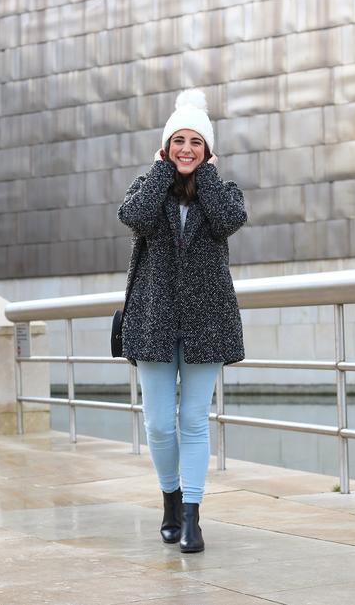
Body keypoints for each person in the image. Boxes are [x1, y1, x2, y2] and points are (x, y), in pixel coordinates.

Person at [117, 88, 247, 553]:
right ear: (165, 147)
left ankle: (191, 515)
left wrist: (207, 177)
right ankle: (169, 500)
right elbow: (132, 215)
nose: (186, 149)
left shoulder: (223, 193)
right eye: (178, 141)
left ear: (208, 150)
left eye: (196, 141)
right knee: (157, 424)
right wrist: (159, 171)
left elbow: (230, 220)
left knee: (193, 420)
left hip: (206, 323)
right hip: (153, 321)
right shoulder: (147, 189)